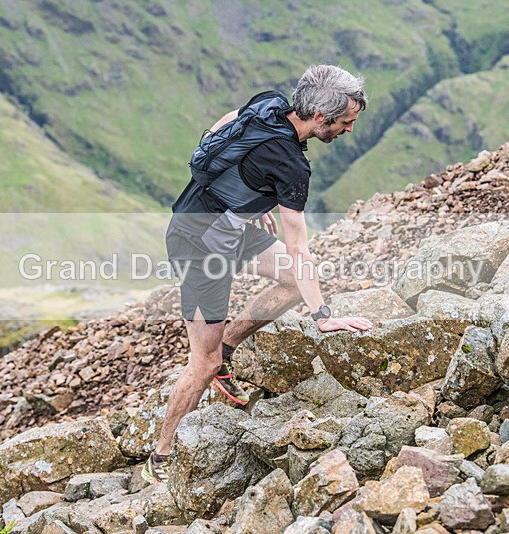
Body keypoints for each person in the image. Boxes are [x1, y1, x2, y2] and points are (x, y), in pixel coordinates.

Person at [142, 65, 373, 484]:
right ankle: (162, 453)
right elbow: (300, 245)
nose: (349, 130)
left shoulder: (269, 103)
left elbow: (220, 130)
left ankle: (229, 343)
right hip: (198, 245)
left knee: (291, 281)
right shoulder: (291, 167)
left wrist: (247, 201)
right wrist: (324, 316)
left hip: (222, 226)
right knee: (204, 361)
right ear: (320, 117)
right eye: (346, 122)